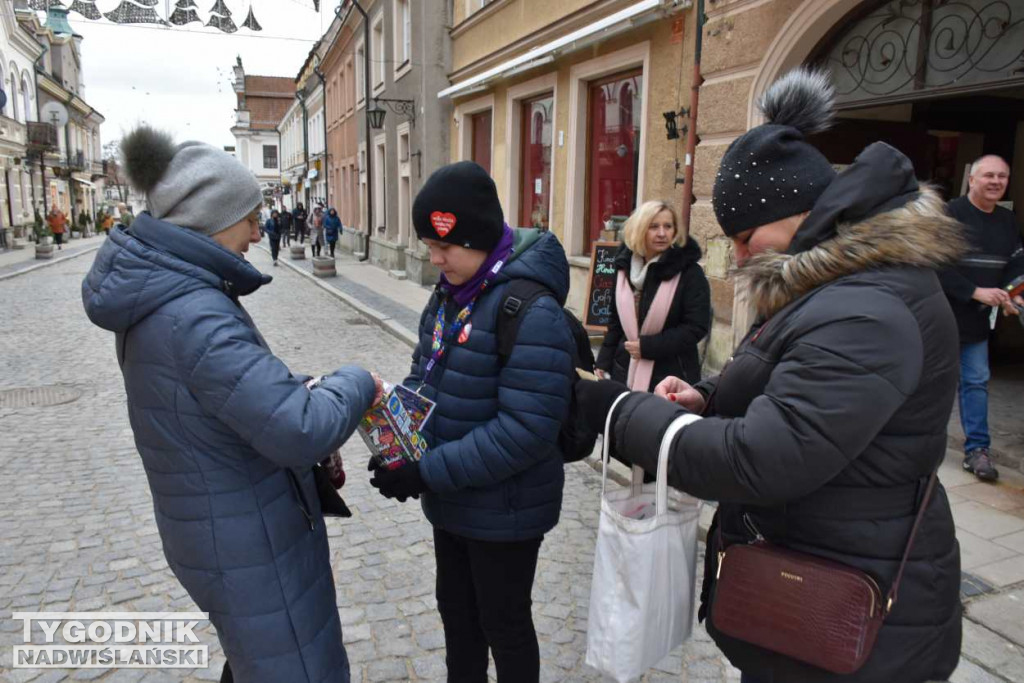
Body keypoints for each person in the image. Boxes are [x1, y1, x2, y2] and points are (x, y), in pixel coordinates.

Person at [577, 69, 964, 683]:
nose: (740, 255)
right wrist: (706, 400)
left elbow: (764, 458)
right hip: (812, 578)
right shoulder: (831, 287)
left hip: (858, 620)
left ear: (797, 211)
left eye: (744, 237)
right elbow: (792, 389)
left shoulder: (868, 307)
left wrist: (617, 411)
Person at [82, 126, 383, 683]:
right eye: (248, 216)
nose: (255, 229)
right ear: (212, 219)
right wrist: (356, 381)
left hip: (224, 530)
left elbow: (223, 393)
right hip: (250, 543)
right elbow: (297, 429)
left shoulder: (170, 296)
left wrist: (297, 385)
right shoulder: (194, 313)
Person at [368, 161, 575, 683]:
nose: (435, 260)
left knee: (503, 627)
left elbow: (524, 433)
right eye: (428, 246)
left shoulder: (533, 311)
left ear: (482, 239)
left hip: (506, 510)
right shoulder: (448, 296)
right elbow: (426, 376)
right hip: (454, 502)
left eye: (445, 247)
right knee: (458, 622)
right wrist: (398, 447)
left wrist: (427, 471)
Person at [938, 155, 1024, 481]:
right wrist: (975, 291)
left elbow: (1016, 264)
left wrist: (1014, 294)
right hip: (941, 318)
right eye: (988, 175)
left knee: (976, 383)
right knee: (932, 384)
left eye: (1002, 176)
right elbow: (933, 264)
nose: (995, 181)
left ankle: (977, 451)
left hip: (977, 324)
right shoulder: (949, 215)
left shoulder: (1006, 220)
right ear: (971, 179)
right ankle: (915, 445)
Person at [596, 199, 710, 391]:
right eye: (653, 226)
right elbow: (615, 322)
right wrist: (603, 362)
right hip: (624, 370)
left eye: (668, 226)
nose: (662, 233)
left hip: (672, 375)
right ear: (640, 229)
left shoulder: (689, 273)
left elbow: (696, 327)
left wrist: (648, 347)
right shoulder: (624, 270)